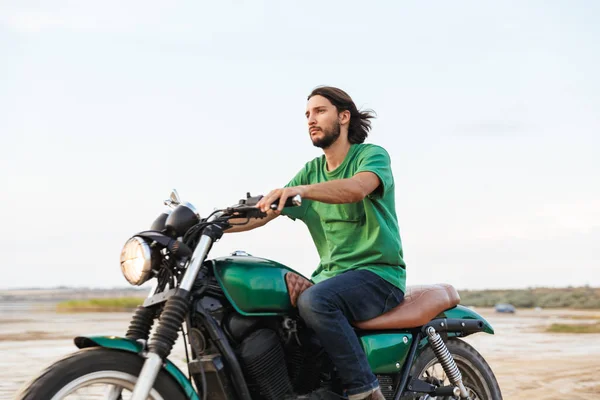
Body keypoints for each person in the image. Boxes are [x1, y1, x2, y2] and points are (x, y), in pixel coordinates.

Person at [228, 86, 406, 400]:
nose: (311, 119)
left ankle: (365, 392)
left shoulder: (370, 156)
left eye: (320, 111)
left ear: (344, 116)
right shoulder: (312, 171)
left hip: (378, 277)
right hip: (332, 278)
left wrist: (304, 191)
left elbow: (355, 189)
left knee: (316, 301)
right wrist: (205, 226)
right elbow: (264, 213)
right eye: (308, 114)